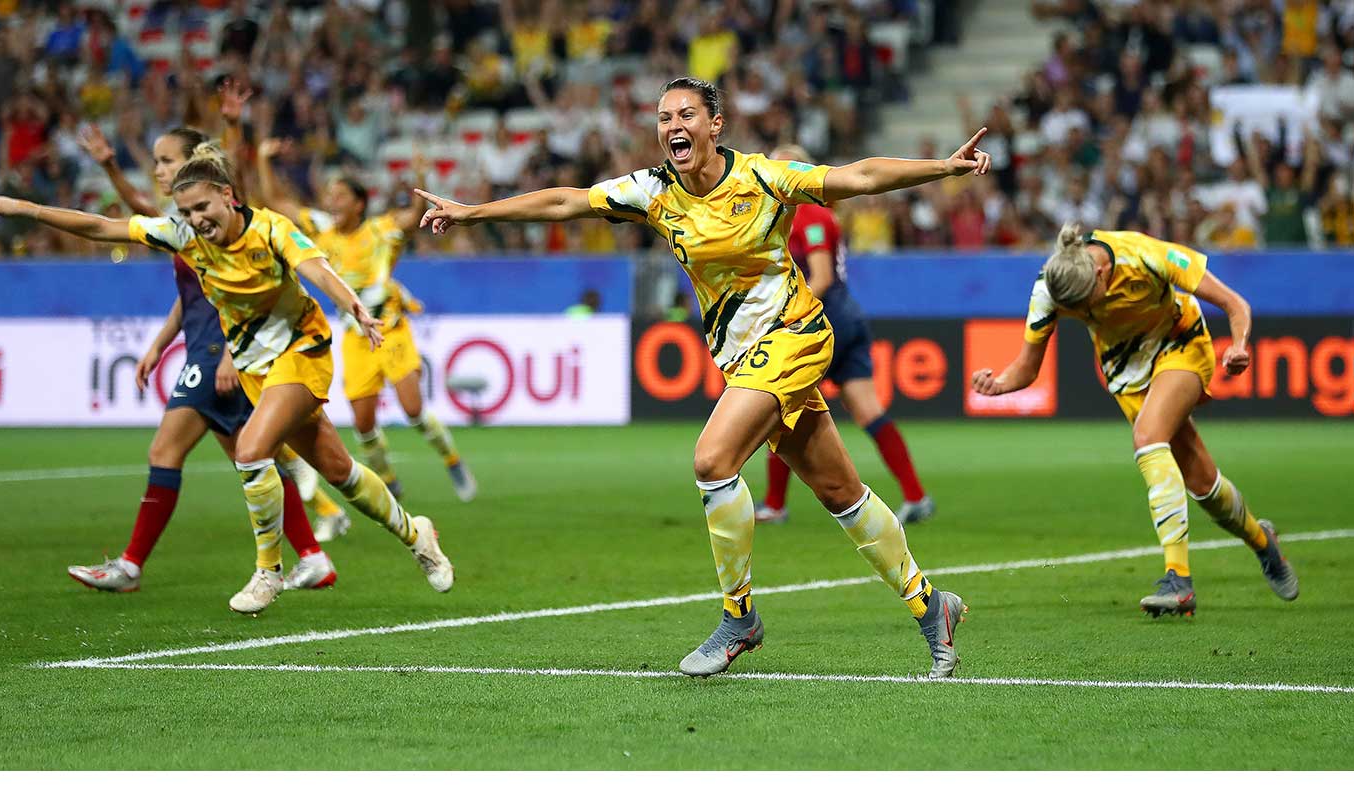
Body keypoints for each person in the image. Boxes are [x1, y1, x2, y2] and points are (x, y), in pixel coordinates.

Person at [414, 77, 990, 678]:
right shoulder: (651, 190)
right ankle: (933, 608)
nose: (672, 127)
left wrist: (944, 169)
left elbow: (859, 176)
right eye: (663, 118)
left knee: (713, 461)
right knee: (840, 493)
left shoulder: (765, 178)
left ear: (716, 124)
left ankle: (739, 618)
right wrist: (473, 213)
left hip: (796, 335)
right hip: (744, 357)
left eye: (686, 114)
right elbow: (566, 201)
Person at [0, 147, 454, 615]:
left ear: (226, 195)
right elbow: (100, 225)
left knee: (250, 450)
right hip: (254, 369)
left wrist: (353, 306)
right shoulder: (183, 236)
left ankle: (268, 571)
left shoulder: (270, 229)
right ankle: (418, 535)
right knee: (339, 472)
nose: (196, 218)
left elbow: (317, 269)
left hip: (301, 351)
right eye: (186, 210)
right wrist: (23, 208)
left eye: (202, 206)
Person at [66, 121, 341, 594]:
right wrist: (159, 343)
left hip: (221, 349)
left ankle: (130, 566)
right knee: (252, 458)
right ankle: (313, 554)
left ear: (195, 165)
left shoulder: (214, 220)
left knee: (170, 450)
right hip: (203, 345)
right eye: (155, 161)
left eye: (167, 160)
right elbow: (186, 290)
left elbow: (236, 289)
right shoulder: (185, 224)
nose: (158, 169)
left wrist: (234, 356)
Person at [970, 224, 1298, 617]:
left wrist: (1240, 346)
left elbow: (1235, 304)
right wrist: (998, 385)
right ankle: (1264, 543)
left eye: (1086, 304)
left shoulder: (1147, 256)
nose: (1085, 313)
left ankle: (1178, 580)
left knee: (1148, 437)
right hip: (1126, 374)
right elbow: (1027, 367)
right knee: (1202, 484)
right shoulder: (1052, 286)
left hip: (1180, 343)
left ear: (1102, 274)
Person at [254, 139, 476, 503]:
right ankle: (388, 478)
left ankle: (452, 460)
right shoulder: (321, 227)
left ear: (359, 204)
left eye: (340, 196)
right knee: (362, 423)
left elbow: (413, 216)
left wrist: (420, 175)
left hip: (390, 329)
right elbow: (277, 204)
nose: (331, 201)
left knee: (414, 410)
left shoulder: (381, 231)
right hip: (355, 336)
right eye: (329, 195)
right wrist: (264, 160)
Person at [754, 143, 933, 528]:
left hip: (825, 320)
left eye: (776, 168)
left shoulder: (806, 215)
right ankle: (916, 496)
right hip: (848, 316)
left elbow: (821, 277)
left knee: (780, 405)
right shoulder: (808, 214)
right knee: (868, 411)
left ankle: (773, 504)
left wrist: (782, 315)